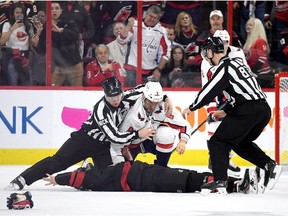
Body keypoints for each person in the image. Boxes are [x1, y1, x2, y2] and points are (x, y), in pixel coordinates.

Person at [5, 77, 165, 191]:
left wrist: (165, 98)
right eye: (111, 97)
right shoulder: (101, 111)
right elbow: (114, 137)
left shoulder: (127, 96)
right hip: (84, 141)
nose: (116, 100)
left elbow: (149, 88)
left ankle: (87, 169)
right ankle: (22, 179)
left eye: (117, 95)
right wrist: (139, 132)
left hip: (103, 147)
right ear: (104, 94)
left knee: (110, 178)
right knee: (57, 163)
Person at [182, 37, 282, 195]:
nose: (206, 57)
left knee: (217, 141)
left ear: (210, 51)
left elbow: (209, 90)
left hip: (248, 110)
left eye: (206, 52)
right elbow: (241, 93)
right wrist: (224, 110)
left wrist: (192, 107)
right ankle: (269, 165)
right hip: (262, 110)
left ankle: (219, 181)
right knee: (240, 142)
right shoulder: (238, 63)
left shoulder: (224, 66)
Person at [42, 161, 258, 195]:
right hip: (143, 178)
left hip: (144, 174)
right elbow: (80, 180)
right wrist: (59, 179)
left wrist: (60, 178)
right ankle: (233, 184)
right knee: (182, 180)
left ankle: (232, 183)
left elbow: (81, 179)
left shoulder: (97, 176)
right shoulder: (93, 179)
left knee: (183, 177)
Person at [110, 81, 190, 167]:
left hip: (149, 141)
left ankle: (161, 169)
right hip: (131, 145)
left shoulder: (162, 106)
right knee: (123, 170)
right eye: (150, 102)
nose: (152, 106)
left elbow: (184, 124)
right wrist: (128, 158)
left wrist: (182, 141)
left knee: (166, 134)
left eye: (155, 102)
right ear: (143, 97)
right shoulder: (132, 115)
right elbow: (120, 140)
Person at [201, 30, 247, 178]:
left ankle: (225, 159)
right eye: (221, 42)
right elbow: (207, 86)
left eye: (226, 42)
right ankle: (215, 160)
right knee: (214, 127)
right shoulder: (207, 60)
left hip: (234, 95)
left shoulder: (237, 53)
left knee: (232, 130)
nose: (224, 45)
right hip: (217, 96)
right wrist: (212, 108)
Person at [117, 5, 171, 87]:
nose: (152, 19)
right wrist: (128, 26)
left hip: (150, 69)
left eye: (155, 18)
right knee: (131, 94)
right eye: (150, 16)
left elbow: (167, 52)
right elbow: (122, 39)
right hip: (132, 68)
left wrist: (158, 69)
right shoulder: (135, 25)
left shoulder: (162, 31)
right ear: (146, 14)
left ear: (158, 19)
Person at [0, 3, 34, 86]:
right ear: (13, 14)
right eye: (17, 13)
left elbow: (32, 45)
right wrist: (12, 28)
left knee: (28, 82)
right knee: (13, 82)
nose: (19, 15)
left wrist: (36, 36)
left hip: (25, 57)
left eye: (21, 13)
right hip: (12, 56)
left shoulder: (28, 26)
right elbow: (2, 41)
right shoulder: (7, 25)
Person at [51, 2, 83, 86]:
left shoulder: (70, 22)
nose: (54, 11)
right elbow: (42, 49)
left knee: (77, 94)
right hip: (57, 67)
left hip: (74, 65)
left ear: (61, 10)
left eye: (57, 8)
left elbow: (76, 35)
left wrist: (61, 30)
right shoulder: (45, 26)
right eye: (51, 9)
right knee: (52, 94)